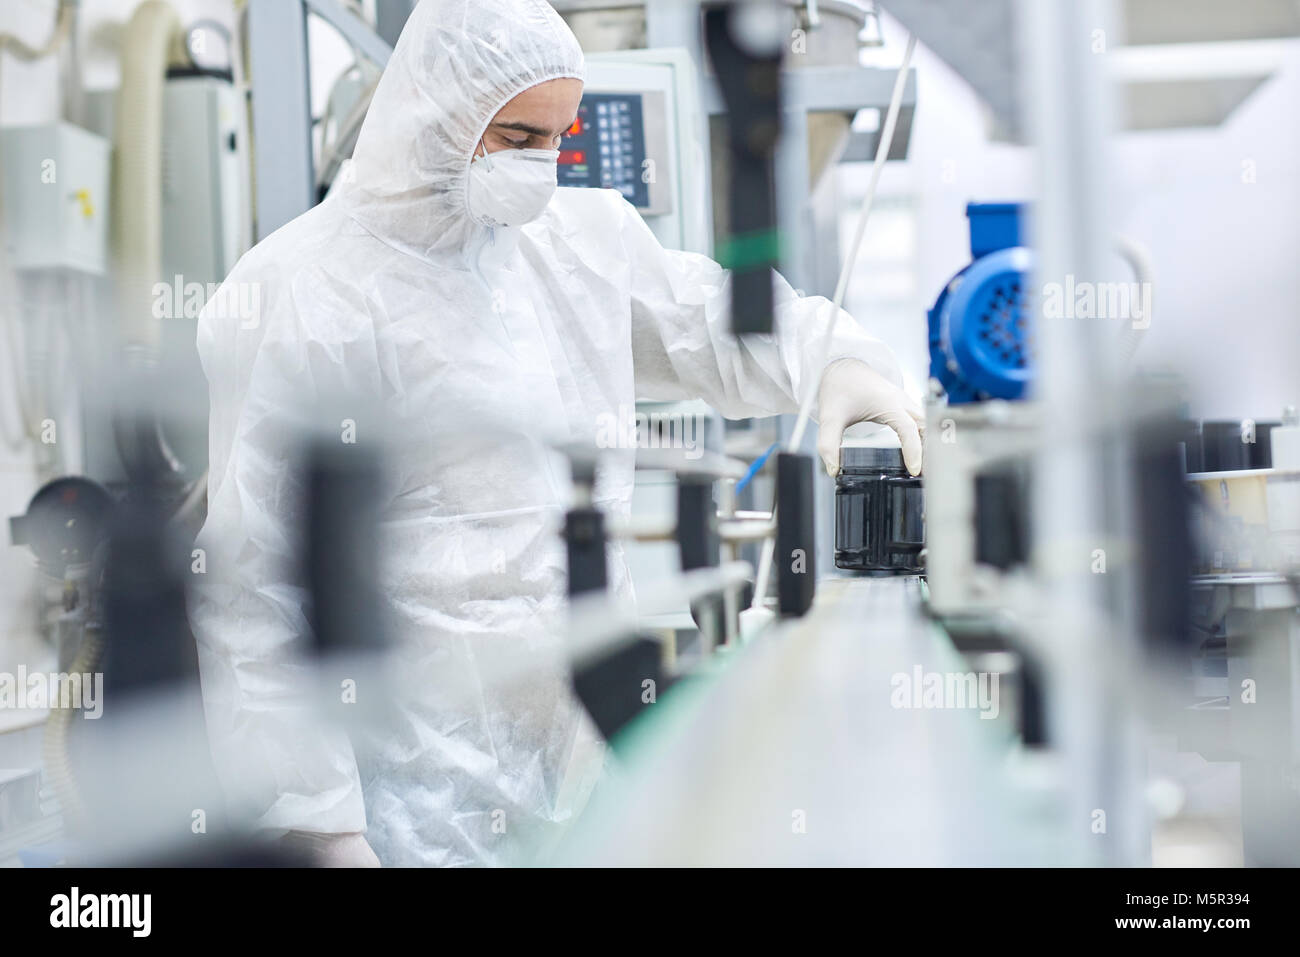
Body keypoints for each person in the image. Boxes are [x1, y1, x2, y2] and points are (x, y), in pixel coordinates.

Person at [190, 0, 923, 867]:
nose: (543, 163)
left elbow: (715, 324)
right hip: (412, 806)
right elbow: (254, 591)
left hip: (587, 774)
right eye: (517, 136)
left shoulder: (578, 243)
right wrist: (319, 826)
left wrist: (838, 359)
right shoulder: (302, 291)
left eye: (559, 137)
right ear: (437, 115)